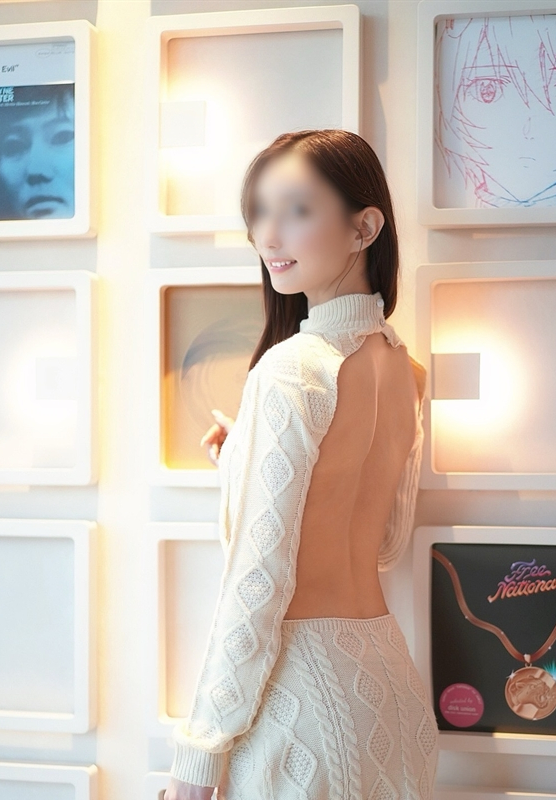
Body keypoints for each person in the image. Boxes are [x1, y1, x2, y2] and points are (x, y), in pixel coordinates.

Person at [164, 129, 438, 800]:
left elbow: (256, 585)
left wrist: (198, 757)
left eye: (296, 209)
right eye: (259, 211)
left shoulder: (290, 371)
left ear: (364, 228)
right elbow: (380, 541)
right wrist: (245, 460)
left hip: (302, 714)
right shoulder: (406, 370)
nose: (268, 235)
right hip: (390, 694)